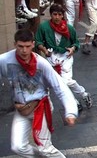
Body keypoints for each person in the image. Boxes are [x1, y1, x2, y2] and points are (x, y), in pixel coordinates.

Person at [0, 29, 78, 157]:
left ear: (33, 44)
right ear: (15, 45)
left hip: (40, 107)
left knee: (45, 149)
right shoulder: (4, 60)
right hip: (22, 109)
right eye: (20, 46)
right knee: (18, 147)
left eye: (27, 46)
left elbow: (60, 87)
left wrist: (70, 111)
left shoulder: (42, 64)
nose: (24, 51)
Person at [35, 3, 93, 110]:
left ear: (62, 15)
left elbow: (75, 43)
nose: (57, 17)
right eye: (54, 14)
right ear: (51, 15)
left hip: (66, 57)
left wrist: (72, 49)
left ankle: (82, 95)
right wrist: (44, 50)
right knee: (57, 83)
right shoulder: (44, 27)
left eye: (59, 15)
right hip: (51, 57)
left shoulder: (69, 28)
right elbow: (38, 42)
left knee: (66, 81)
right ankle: (77, 99)